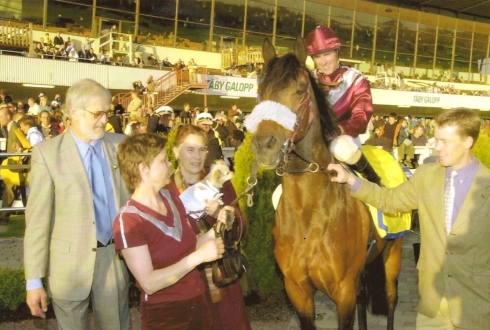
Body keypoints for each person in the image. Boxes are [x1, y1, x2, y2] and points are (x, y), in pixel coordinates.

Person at [327, 108, 490, 330]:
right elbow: (390, 200)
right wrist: (350, 180)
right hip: (431, 307)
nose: (436, 146)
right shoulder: (426, 175)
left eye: (444, 141)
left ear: (468, 142)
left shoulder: (487, 186)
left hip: (475, 308)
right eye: (436, 139)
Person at [24, 79, 131, 329]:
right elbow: (37, 222)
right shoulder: (47, 154)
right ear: (73, 112)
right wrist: (33, 281)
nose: (105, 119)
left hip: (112, 258)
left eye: (108, 112)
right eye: (98, 113)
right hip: (67, 266)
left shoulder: (121, 146)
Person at [114, 133, 228, 329]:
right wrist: (199, 257)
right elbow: (149, 282)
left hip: (199, 301)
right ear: (144, 169)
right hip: (164, 314)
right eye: (163, 161)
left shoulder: (171, 198)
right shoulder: (128, 220)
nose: (169, 165)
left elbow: (190, 246)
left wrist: (217, 228)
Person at [166, 124, 251, 330]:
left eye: (202, 149)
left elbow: (241, 228)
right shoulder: (166, 187)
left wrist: (220, 214)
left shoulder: (219, 181)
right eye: (190, 149)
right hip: (183, 273)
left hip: (219, 274)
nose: (197, 156)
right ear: (176, 151)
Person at [305, 25, 378, 183]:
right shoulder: (307, 81)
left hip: (344, 139)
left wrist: (337, 130)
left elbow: (362, 116)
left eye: (327, 54)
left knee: (341, 147)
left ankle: (375, 184)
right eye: (317, 57)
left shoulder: (355, 79)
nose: (323, 62)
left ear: (337, 52)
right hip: (313, 141)